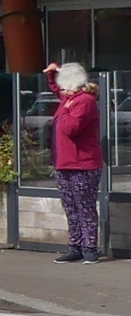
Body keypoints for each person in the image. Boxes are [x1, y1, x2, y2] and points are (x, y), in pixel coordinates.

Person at [45, 61, 103, 264]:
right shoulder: (69, 99)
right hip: (64, 163)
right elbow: (55, 88)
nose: (61, 89)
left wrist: (67, 108)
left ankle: (90, 249)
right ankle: (75, 247)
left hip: (83, 164)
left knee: (84, 207)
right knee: (70, 207)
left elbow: (72, 128)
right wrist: (52, 74)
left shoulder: (84, 101)